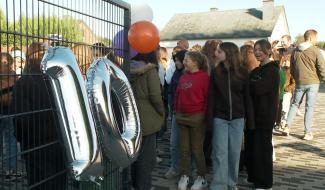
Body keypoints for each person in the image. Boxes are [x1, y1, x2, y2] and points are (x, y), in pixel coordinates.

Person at [11, 42, 67, 190]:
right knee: (58, 181)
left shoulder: (23, 83)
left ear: (28, 58)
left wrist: (21, 138)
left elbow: (21, 120)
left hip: (34, 145)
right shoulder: (55, 79)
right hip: (58, 140)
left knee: (39, 183)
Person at [208, 42, 254, 190]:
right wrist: (209, 119)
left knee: (234, 153)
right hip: (219, 118)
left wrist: (250, 121)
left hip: (238, 118)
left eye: (219, 51)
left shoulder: (243, 72)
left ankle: (231, 183)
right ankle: (219, 185)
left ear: (228, 53)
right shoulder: (216, 72)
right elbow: (211, 97)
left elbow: (247, 97)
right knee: (219, 152)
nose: (216, 53)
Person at [129, 51, 164, 190]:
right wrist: (162, 111)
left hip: (130, 116)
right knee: (146, 158)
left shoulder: (125, 68)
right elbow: (155, 96)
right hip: (147, 118)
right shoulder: (150, 70)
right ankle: (143, 186)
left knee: (132, 156)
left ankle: (131, 184)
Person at [282, 29, 325, 140]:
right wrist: (323, 78)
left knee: (295, 104)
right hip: (313, 83)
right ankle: (307, 132)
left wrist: (297, 78)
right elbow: (321, 67)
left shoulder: (296, 51)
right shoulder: (315, 50)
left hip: (300, 82)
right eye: (315, 38)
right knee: (309, 107)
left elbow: (292, 68)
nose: (316, 40)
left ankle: (287, 127)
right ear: (311, 38)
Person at [174, 51, 209, 190]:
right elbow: (178, 94)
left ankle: (201, 177)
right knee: (184, 149)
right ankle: (185, 175)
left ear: (195, 62)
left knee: (196, 149)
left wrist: (203, 116)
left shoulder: (204, 77)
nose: (184, 62)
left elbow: (207, 98)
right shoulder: (184, 76)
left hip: (196, 117)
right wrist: (176, 109)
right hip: (181, 116)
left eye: (187, 60)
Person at [249, 39, 280, 190]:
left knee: (263, 150)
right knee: (255, 148)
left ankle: (265, 183)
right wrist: (253, 84)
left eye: (260, 49)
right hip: (254, 115)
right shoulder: (256, 71)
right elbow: (250, 87)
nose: (257, 52)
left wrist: (252, 84)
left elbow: (259, 89)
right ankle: (256, 179)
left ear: (268, 50)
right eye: (255, 50)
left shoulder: (273, 70)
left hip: (266, 116)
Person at [164, 49, 187, 179]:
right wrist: (172, 106)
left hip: (188, 114)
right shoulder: (176, 74)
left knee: (187, 144)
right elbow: (171, 91)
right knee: (174, 143)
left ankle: (186, 170)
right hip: (176, 112)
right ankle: (175, 167)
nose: (177, 63)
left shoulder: (190, 75)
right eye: (175, 60)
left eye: (179, 60)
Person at [0, 52, 20, 181]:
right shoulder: (13, 76)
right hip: (8, 112)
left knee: (10, 141)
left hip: (9, 113)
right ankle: (10, 170)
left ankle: (9, 170)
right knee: (10, 141)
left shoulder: (13, 75)